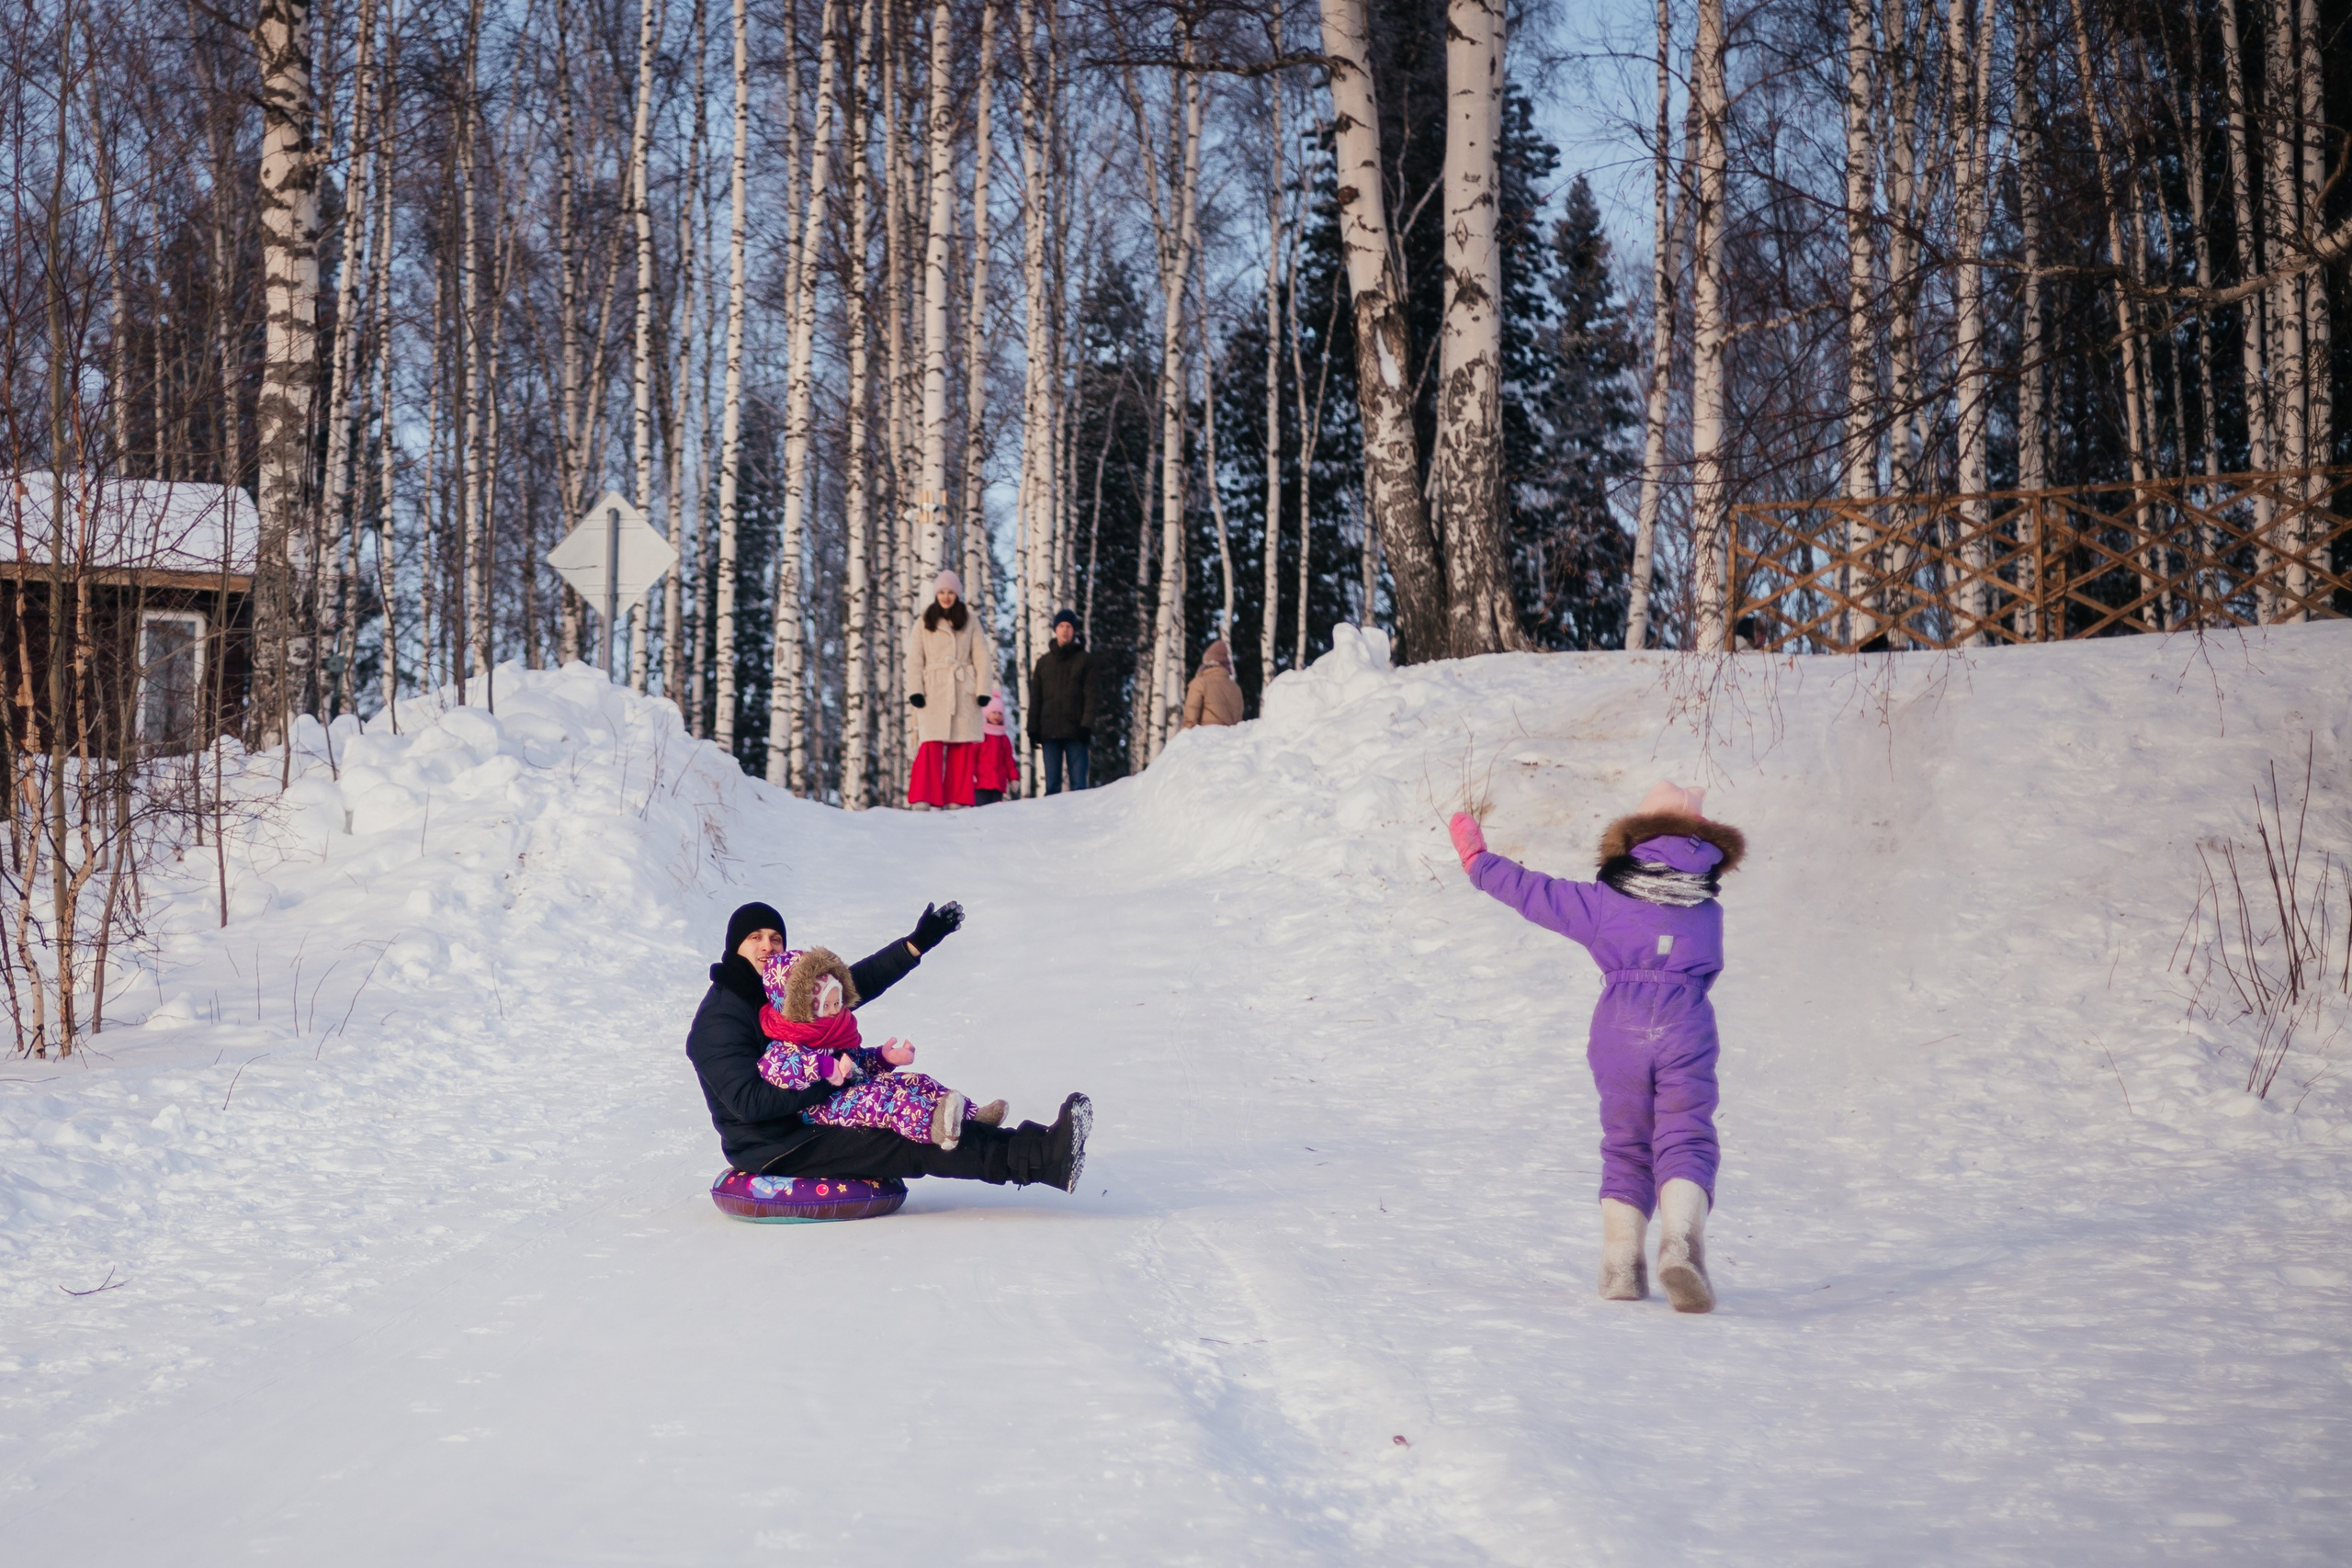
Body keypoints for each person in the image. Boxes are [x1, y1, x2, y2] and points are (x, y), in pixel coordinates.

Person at [1447, 782, 1745, 1313]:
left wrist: (1478, 861)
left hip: (1619, 1024)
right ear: (1700, 836)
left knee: (1627, 1140)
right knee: (1686, 1135)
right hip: (1686, 1021)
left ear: (1638, 834)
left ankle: (1620, 1266)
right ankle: (1680, 1245)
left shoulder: (1604, 901)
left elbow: (1533, 891)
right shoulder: (1706, 907)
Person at [687, 899, 1091, 1190]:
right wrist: (832, 1081)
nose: (767, 946)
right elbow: (750, 1103)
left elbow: (846, 988)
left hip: (816, 1114)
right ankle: (1040, 1163)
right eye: (754, 938)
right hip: (775, 1144)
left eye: (776, 938)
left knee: (919, 1099)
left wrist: (915, 945)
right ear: (734, 947)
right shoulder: (719, 1019)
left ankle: (1038, 1144)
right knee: (910, 1136)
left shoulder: (781, 997)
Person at [754, 944, 1007, 1148]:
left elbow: (856, 1063)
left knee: (916, 1081)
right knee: (883, 1100)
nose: (834, 1012)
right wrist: (821, 1066)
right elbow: (777, 1069)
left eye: (837, 1003)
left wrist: (885, 1058)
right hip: (819, 1108)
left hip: (853, 1090)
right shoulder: (785, 1042)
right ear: (800, 1007)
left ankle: (972, 1117)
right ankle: (935, 1125)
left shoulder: (833, 1033)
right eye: (825, 1006)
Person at [905, 570, 993, 810]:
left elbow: (982, 657)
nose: (946, 596)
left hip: (963, 688)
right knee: (930, 744)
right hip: (934, 689)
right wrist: (916, 690)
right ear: (936, 594)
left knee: (961, 746)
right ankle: (923, 797)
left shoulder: (970, 620)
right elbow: (914, 658)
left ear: (957, 594)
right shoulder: (924, 620)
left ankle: (958, 798)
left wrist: (983, 689)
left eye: (951, 592)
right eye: (942, 592)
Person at [1028, 609, 1093, 795]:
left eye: (1069, 626)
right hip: (1049, 732)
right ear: (1055, 629)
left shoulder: (1085, 661)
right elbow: (1036, 699)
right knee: (1052, 788)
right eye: (1061, 626)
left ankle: (1078, 823)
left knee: (1079, 787)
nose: (1065, 630)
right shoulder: (1043, 663)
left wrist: (1086, 726)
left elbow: (1091, 697)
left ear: (1074, 631)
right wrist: (1033, 729)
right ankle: (1051, 823)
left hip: (1076, 732)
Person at [1181, 639, 1245, 729]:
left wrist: (1183, 739)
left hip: (1205, 739)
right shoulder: (1236, 688)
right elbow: (1238, 721)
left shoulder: (1200, 683)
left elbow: (1190, 721)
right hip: (1231, 740)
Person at [974, 691, 1018, 806]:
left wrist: (1013, 778)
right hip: (980, 783)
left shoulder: (1003, 738)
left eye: (1000, 713)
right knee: (980, 811)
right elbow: (972, 757)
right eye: (994, 712)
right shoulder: (980, 735)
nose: (997, 716)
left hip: (998, 784)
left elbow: (1009, 761)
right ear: (987, 714)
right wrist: (971, 774)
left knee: (995, 812)